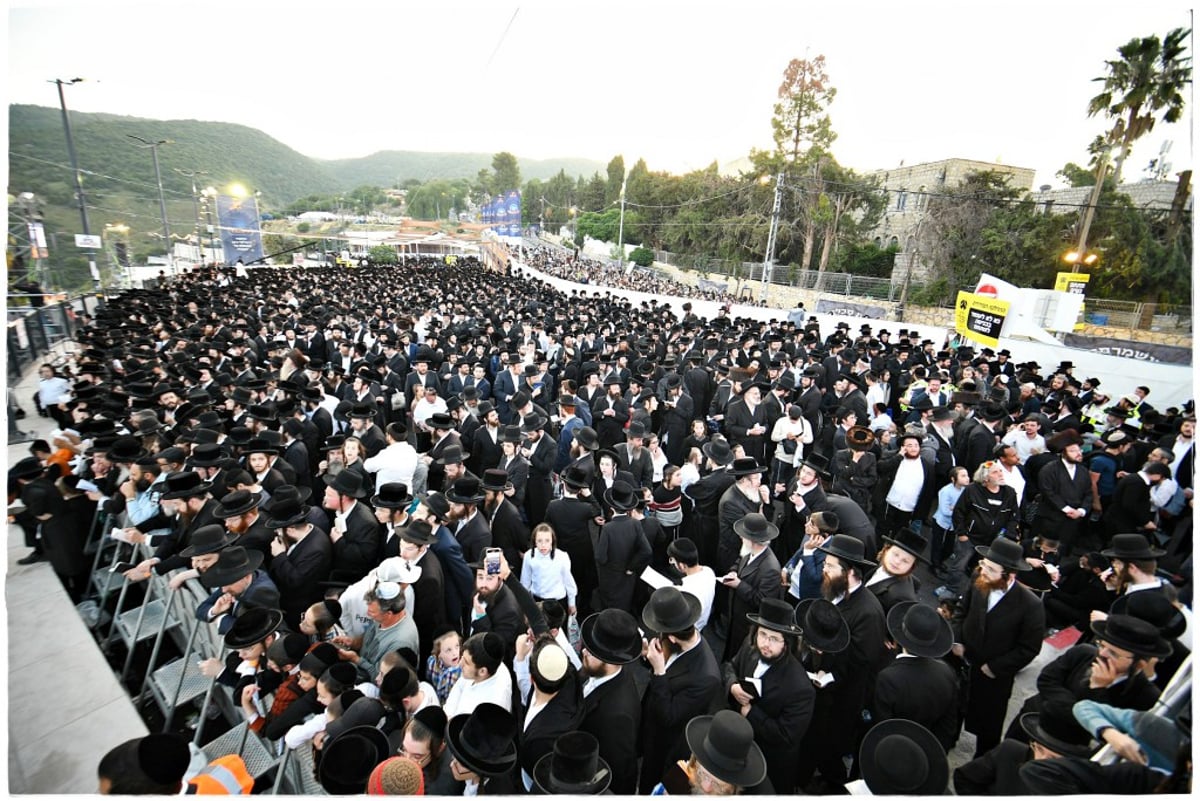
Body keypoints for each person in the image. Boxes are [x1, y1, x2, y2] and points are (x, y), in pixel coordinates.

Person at [951, 536, 1046, 758]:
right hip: (963, 662)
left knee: (988, 726)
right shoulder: (978, 577)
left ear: (1009, 575)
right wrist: (957, 640)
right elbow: (960, 610)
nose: (983, 571)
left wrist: (994, 667)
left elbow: (1029, 648)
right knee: (954, 709)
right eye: (984, 564)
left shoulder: (1031, 605)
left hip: (993, 676)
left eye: (991, 569)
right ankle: (949, 740)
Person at [720, 598, 814, 793]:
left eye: (774, 639)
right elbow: (730, 666)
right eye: (762, 634)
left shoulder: (801, 688)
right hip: (739, 748)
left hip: (769, 762)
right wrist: (732, 685)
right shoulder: (750, 645)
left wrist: (750, 713)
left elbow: (787, 736)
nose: (765, 643)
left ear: (786, 644)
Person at [638, 586, 723, 793]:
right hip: (649, 724)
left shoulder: (707, 677)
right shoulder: (672, 641)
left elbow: (669, 716)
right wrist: (647, 658)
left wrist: (659, 670)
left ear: (674, 637)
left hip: (667, 744)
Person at [873, 601, 960, 751]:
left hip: (890, 751)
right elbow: (948, 726)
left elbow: (878, 726)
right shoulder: (947, 673)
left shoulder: (889, 678)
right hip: (924, 752)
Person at [577, 608, 644, 795]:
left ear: (611, 660)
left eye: (592, 652)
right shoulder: (597, 670)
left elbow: (617, 769)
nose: (584, 652)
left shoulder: (618, 715)